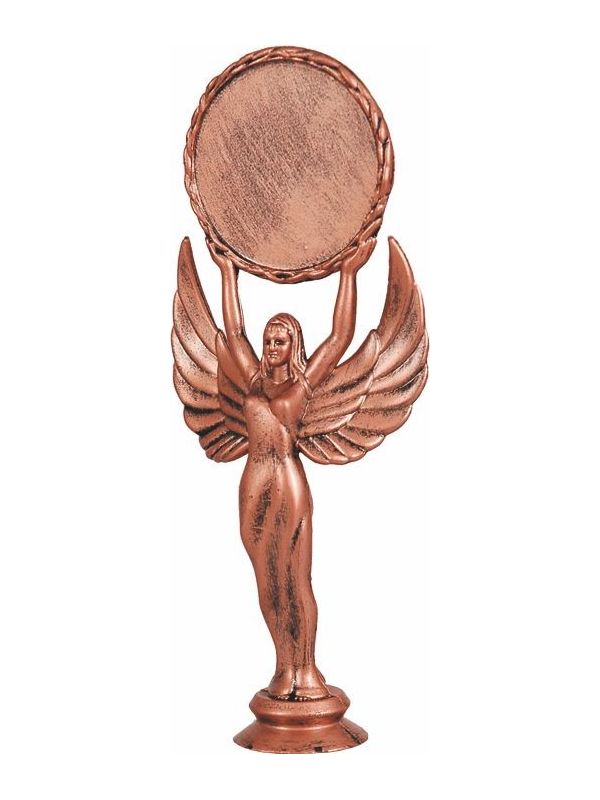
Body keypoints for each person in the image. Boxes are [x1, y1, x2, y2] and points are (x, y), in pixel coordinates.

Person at [209, 238, 375, 699]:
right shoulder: (252, 381)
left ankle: (306, 668)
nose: (270, 347)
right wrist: (227, 272)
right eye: (268, 340)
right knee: (266, 580)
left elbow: (339, 339)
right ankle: (284, 665)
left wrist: (348, 275)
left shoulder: (302, 386)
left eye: (279, 341)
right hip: (253, 483)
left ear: (293, 345)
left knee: (295, 577)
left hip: (287, 480)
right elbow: (233, 332)